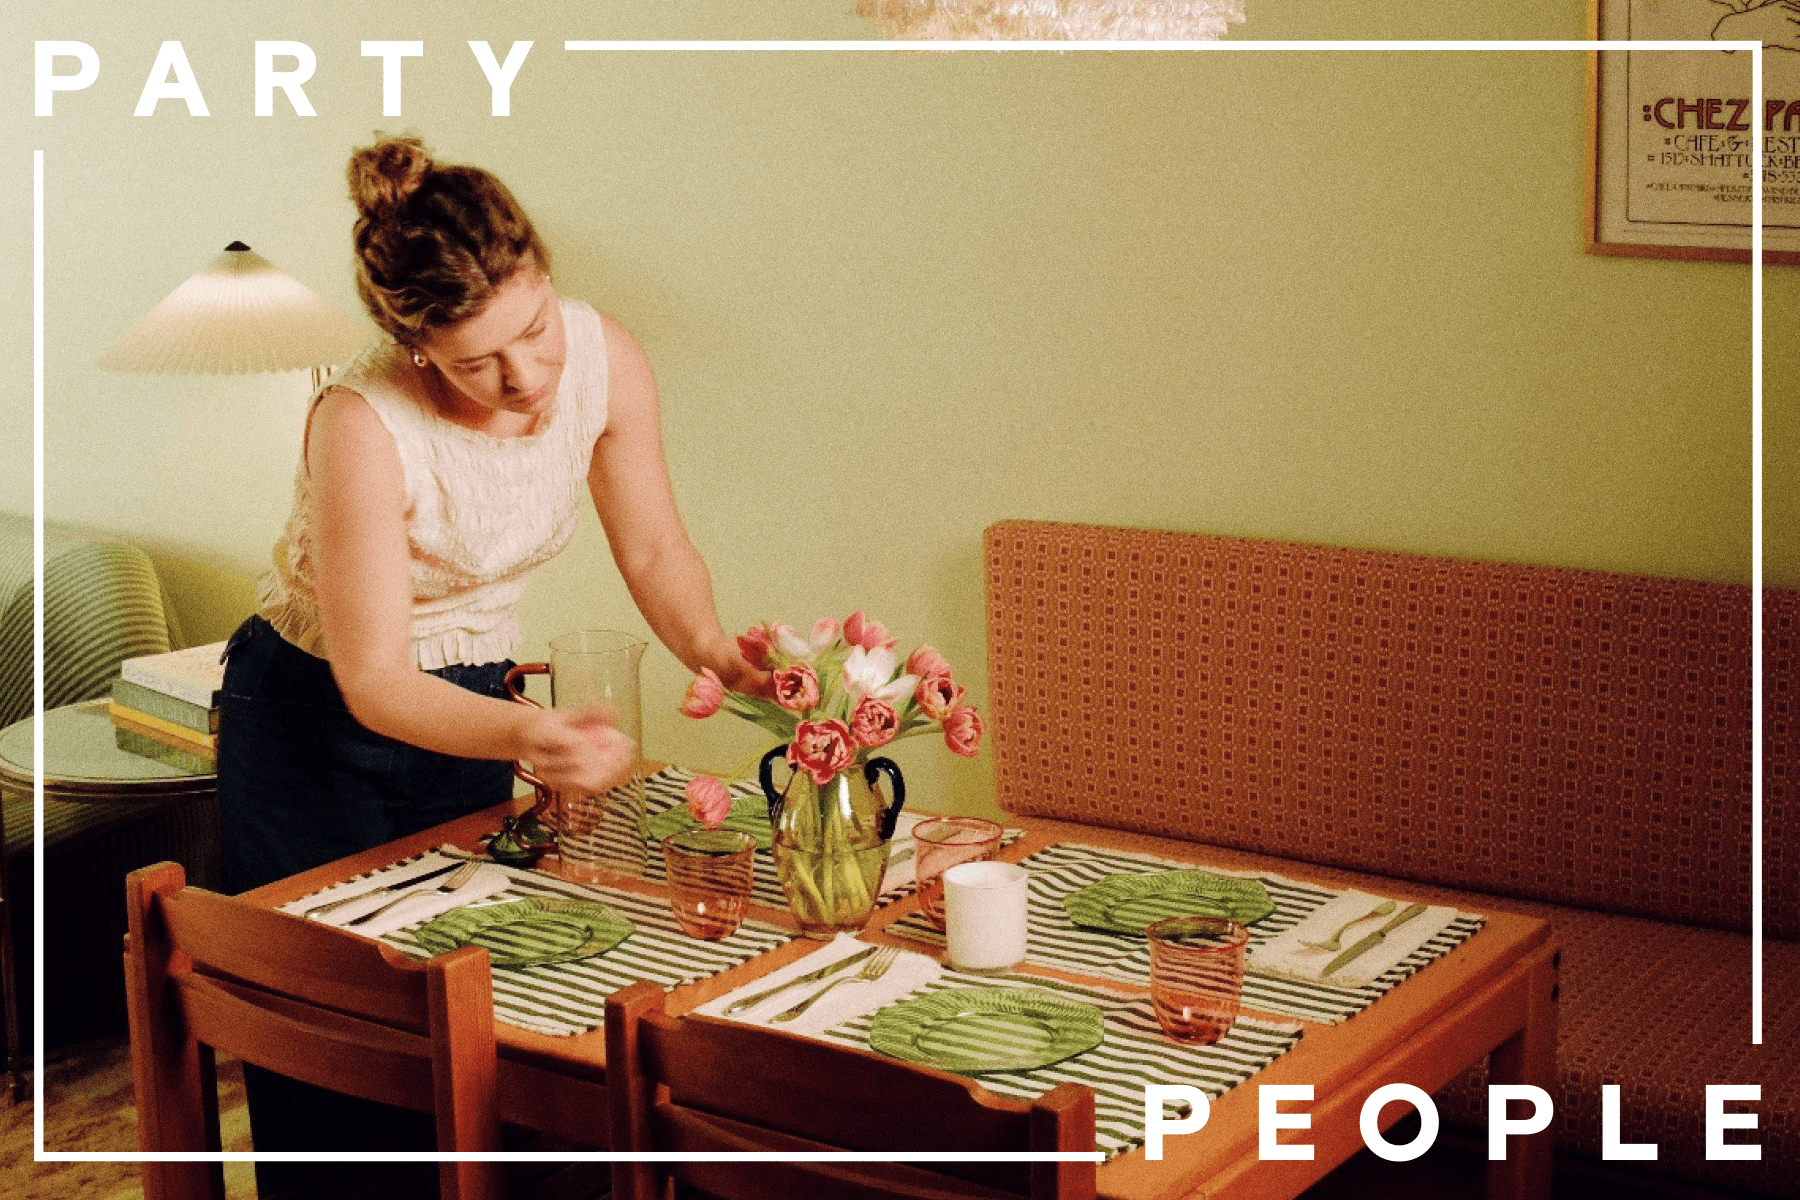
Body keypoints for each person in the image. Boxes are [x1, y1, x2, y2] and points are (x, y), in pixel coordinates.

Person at [216, 132, 765, 1188]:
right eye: (475, 362)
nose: (523, 377)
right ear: (414, 348)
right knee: (340, 1054)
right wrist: (529, 735)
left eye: (535, 331)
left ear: (547, 279)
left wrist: (711, 648)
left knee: (477, 1012)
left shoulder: (609, 360)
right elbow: (372, 678)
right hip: (308, 717)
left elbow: (652, 545)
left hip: (464, 699)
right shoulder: (363, 421)